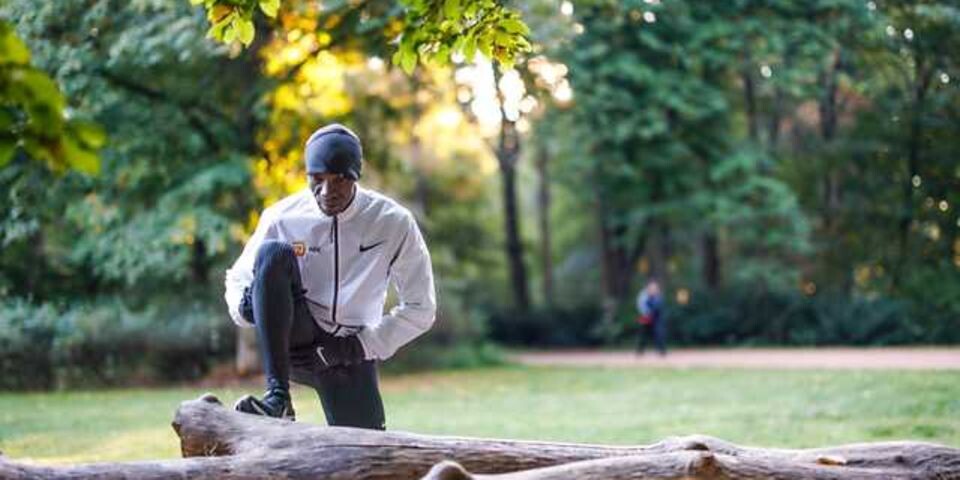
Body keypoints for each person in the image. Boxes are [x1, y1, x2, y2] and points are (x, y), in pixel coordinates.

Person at [224, 123, 437, 430]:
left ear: (356, 176)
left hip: (350, 351)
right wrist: (247, 308)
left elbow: (421, 308)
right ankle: (277, 399)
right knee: (272, 253)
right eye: (317, 179)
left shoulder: (394, 222)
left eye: (339, 179)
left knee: (366, 451)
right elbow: (237, 279)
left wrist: (351, 348)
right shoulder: (281, 217)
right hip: (296, 336)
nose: (326, 191)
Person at [635, 279, 666, 356]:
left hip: (656, 316)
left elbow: (659, 308)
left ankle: (662, 351)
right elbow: (641, 306)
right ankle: (640, 350)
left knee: (659, 332)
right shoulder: (643, 295)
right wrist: (646, 315)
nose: (653, 290)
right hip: (645, 315)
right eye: (652, 288)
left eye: (655, 288)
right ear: (648, 288)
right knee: (643, 334)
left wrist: (653, 314)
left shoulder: (658, 296)